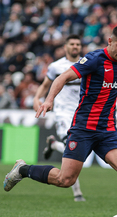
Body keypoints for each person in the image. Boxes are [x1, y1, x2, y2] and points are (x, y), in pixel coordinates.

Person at [3, 25, 117, 217]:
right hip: (83, 129)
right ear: (110, 40)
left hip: (108, 130)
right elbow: (61, 78)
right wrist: (49, 100)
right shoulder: (94, 59)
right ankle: (23, 170)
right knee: (65, 180)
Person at [33, 34, 86, 202]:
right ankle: (77, 193)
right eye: (72, 44)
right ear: (65, 47)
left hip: (82, 114)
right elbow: (45, 85)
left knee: (74, 150)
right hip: (63, 113)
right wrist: (37, 99)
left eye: (78, 44)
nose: (75, 46)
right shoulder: (56, 66)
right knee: (71, 150)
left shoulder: (86, 64)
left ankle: (53, 144)